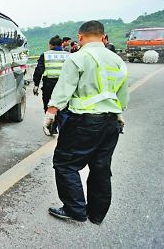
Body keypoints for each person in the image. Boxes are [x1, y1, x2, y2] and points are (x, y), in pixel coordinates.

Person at [43, 20, 129, 224]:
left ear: (80, 37)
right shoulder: (117, 61)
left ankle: (75, 210)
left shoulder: (78, 58)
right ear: (103, 36)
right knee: (101, 167)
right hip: (111, 123)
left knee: (65, 164)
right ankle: (97, 214)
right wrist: (118, 114)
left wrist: (50, 114)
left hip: (84, 121)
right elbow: (122, 96)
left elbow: (64, 89)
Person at [33, 35, 70, 135]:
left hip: (49, 84)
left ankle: (52, 127)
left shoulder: (45, 55)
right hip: (64, 84)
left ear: (50, 45)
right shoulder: (68, 55)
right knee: (63, 106)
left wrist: (36, 85)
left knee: (49, 105)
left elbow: (39, 70)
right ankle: (64, 129)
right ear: (61, 44)